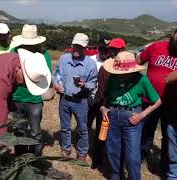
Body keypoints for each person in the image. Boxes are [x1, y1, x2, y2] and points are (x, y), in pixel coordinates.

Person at [101, 51, 162, 180]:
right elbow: (107, 97)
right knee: (112, 151)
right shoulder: (113, 78)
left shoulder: (141, 80)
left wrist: (142, 115)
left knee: (133, 156)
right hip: (113, 117)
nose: (120, 75)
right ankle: (115, 176)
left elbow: (157, 101)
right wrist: (103, 108)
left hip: (132, 119)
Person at [136, 29, 177, 178]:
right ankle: (140, 158)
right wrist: (141, 84)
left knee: (169, 136)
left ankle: (165, 166)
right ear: (173, 33)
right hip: (149, 100)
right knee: (146, 131)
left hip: (172, 104)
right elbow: (137, 63)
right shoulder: (156, 47)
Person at [54, 33, 97, 161]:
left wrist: (84, 85)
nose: (77, 49)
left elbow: (93, 83)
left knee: (83, 129)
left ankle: (82, 152)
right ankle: (66, 147)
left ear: (86, 48)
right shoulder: (63, 59)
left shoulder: (90, 64)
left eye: (80, 47)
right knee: (65, 126)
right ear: (72, 45)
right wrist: (56, 84)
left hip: (81, 101)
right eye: (75, 46)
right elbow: (57, 74)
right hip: (65, 99)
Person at [9, 24, 52, 156]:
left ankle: (34, 160)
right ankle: (20, 159)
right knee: (18, 131)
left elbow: (46, 76)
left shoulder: (44, 55)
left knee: (35, 132)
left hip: (35, 99)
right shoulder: (14, 52)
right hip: (17, 97)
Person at [86, 35, 112, 168]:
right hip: (91, 99)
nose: (104, 53)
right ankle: (83, 150)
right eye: (102, 49)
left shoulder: (113, 63)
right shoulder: (90, 60)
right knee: (86, 126)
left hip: (104, 102)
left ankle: (97, 158)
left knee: (102, 131)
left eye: (106, 50)